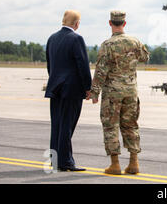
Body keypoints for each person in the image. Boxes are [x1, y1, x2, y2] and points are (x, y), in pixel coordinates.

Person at [89, 10, 149, 175]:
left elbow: (101, 71)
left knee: (111, 126)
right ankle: (134, 163)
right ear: (124, 23)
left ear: (110, 23)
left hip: (113, 94)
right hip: (131, 91)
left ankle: (115, 165)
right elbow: (145, 58)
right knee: (131, 125)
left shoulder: (107, 45)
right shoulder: (135, 42)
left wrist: (94, 92)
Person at [44, 10, 92, 172]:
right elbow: (83, 65)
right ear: (76, 23)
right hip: (71, 89)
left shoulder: (52, 38)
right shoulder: (76, 39)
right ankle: (65, 162)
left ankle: (55, 160)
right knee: (67, 125)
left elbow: (50, 66)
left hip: (55, 88)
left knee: (56, 124)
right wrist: (88, 87)